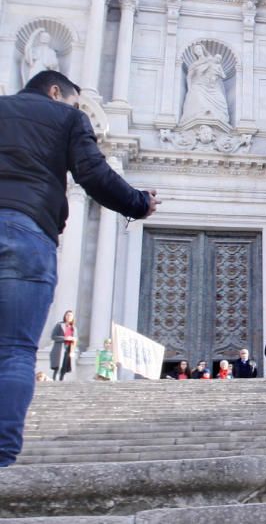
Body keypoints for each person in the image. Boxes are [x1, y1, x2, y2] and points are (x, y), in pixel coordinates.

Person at [0, 71, 158, 467]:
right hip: (26, 229)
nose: (75, 108)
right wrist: (138, 202)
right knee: (16, 352)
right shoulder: (66, 118)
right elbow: (92, 174)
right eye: (73, 101)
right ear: (56, 92)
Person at [49, 310, 76, 381]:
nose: (69, 317)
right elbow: (53, 336)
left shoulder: (74, 328)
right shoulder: (59, 325)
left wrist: (73, 350)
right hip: (60, 348)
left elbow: (75, 339)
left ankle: (62, 382)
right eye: (67, 315)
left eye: (71, 315)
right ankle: (55, 382)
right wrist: (65, 338)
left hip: (69, 348)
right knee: (58, 367)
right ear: (65, 316)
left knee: (65, 367)